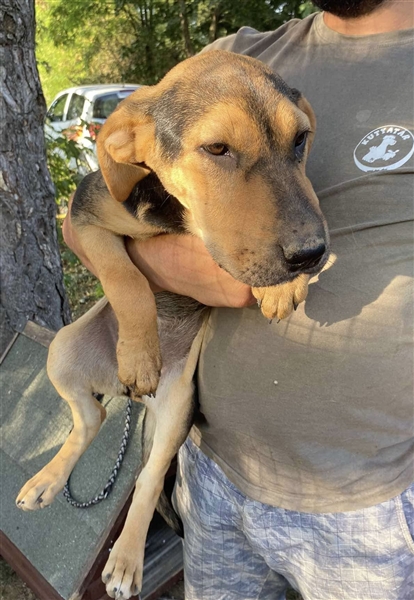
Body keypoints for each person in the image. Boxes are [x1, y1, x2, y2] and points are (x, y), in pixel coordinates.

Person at [63, 1, 414, 598]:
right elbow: (84, 220)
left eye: (299, 139)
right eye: (220, 149)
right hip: (214, 473)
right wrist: (189, 270)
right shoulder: (236, 58)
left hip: (369, 506)